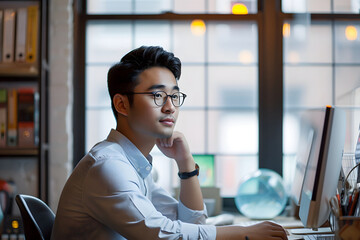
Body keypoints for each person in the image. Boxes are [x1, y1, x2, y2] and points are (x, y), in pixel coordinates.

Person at [51, 46, 288, 240]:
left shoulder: (135, 165)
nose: (170, 107)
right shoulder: (108, 167)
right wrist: (244, 234)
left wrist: (186, 164)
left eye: (174, 96)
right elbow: (163, 235)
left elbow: (191, 223)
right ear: (122, 104)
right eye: (157, 95)